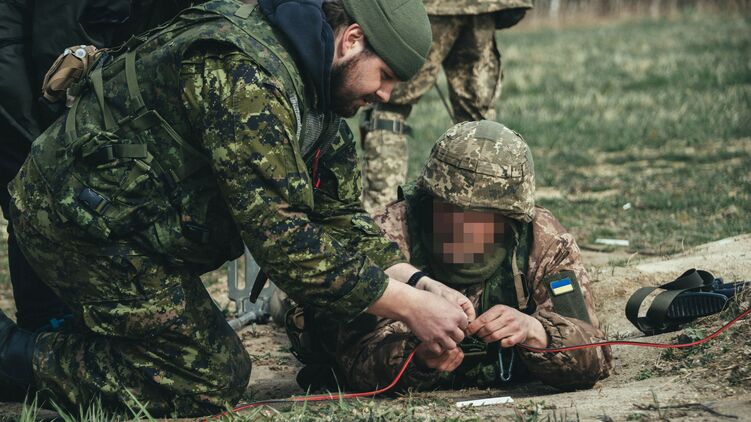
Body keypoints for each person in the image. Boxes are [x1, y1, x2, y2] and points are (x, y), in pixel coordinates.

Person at [1, 0, 475, 416]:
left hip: (131, 226)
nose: (384, 96)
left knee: (205, 365)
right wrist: (410, 308)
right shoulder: (247, 75)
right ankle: (10, 355)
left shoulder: (316, 94)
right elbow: (284, 242)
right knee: (205, 379)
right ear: (351, 40)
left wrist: (419, 282)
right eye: (385, 76)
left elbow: (340, 217)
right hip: (75, 222)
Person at [295, 120, 612, 392]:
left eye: (480, 216)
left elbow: (594, 355)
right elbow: (355, 359)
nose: (461, 228)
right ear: (429, 201)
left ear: (508, 218)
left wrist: (535, 332)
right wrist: (418, 358)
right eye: (449, 210)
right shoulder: (388, 234)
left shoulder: (543, 241)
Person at [0, 0, 201, 332]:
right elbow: (55, 42)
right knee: (35, 195)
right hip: (21, 74)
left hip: (56, 58)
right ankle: (39, 331)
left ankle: (75, 322)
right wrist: (58, 125)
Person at [359, 0, 533, 212]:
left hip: (429, 7)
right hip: (482, 6)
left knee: (390, 108)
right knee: (478, 120)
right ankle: (485, 209)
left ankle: (381, 212)